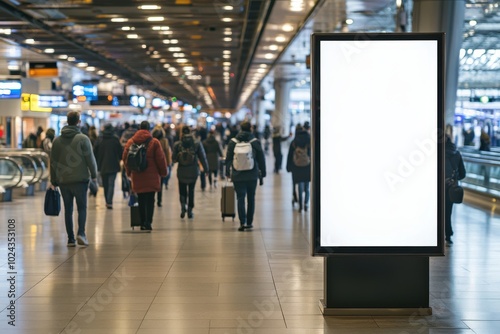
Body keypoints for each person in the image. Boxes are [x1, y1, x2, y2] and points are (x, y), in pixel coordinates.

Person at [49, 111, 98, 247]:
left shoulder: (57, 141)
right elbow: (91, 160)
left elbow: (53, 162)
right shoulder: (83, 139)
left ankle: (71, 239)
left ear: (67, 121)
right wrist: (94, 176)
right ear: (78, 122)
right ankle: (81, 233)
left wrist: (54, 180)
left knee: (68, 209)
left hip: (63, 181)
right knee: (82, 208)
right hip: (80, 180)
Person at [123, 121, 167, 231]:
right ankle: (148, 222)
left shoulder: (130, 142)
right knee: (150, 199)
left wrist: (129, 172)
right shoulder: (154, 142)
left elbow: (126, 159)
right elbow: (161, 159)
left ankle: (142, 222)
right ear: (149, 129)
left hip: (137, 175)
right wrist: (163, 172)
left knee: (141, 198)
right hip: (152, 176)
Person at [225, 120, 266, 231]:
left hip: (238, 175)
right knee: (251, 198)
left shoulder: (233, 142)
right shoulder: (255, 142)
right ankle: (249, 222)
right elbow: (261, 159)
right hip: (252, 175)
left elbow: (228, 159)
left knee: (240, 198)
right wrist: (263, 174)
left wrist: (227, 173)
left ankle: (242, 222)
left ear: (240, 129)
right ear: (251, 129)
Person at [172, 125, 209, 219]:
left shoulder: (177, 144)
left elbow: (173, 159)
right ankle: (190, 210)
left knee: (182, 190)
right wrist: (206, 169)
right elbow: (203, 157)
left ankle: (183, 207)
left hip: (181, 170)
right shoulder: (196, 143)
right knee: (191, 190)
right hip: (193, 170)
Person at [93, 124, 123, 209]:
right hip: (113, 164)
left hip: (102, 164)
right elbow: (120, 152)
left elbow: (95, 152)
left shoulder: (100, 139)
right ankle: (109, 202)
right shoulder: (115, 139)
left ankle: (107, 200)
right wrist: (120, 159)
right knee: (111, 184)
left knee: (105, 184)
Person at [445, 135, 466, 246]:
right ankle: (448, 236)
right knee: (447, 212)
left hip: (437, 188)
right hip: (451, 187)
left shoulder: (436, 154)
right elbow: (463, 174)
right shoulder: (456, 153)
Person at [286, 124, 311, 212]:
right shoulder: (309, 140)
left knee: (298, 184)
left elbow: (289, 155)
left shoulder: (294, 141)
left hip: (296, 166)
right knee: (307, 186)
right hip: (307, 166)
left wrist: (288, 167)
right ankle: (306, 203)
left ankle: (300, 205)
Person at [152, 125, 172, 207]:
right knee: (160, 184)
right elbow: (167, 152)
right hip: (162, 164)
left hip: (153, 165)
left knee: (153, 183)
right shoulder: (164, 141)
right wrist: (168, 163)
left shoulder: (152, 140)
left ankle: (152, 199)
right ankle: (159, 200)